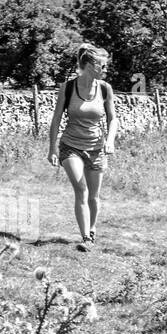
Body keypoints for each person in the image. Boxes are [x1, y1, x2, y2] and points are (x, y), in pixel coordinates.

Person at [47, 44, 117, 252]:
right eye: (102, 66)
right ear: (89, 65)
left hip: (96, 147)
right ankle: (85, 237)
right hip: (70, 146)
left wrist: (110, 140)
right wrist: (52, 148)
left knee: (94, 196)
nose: (105, 70)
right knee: (81, 189)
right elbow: (56, 119)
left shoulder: (105, 88)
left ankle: (92, 230)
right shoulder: (68, 88)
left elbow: (113, 119)